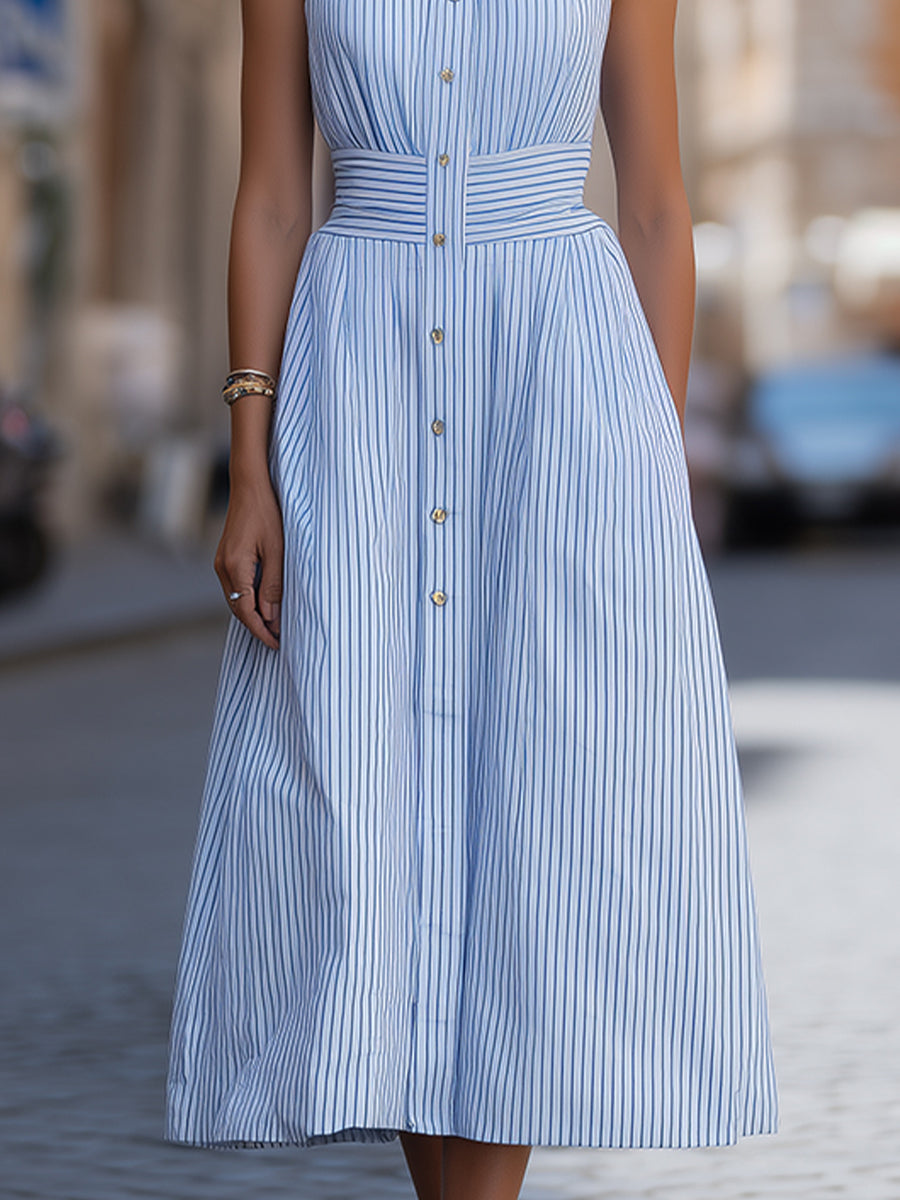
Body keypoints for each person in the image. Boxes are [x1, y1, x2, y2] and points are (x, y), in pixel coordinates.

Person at [164, 1, 778, 1197]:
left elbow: (656, 206)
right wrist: (248, 465)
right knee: (362, 790)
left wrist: (649, 460)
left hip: (560, 386)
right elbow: (274, 198)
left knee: (538, 793)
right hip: (358, 385)